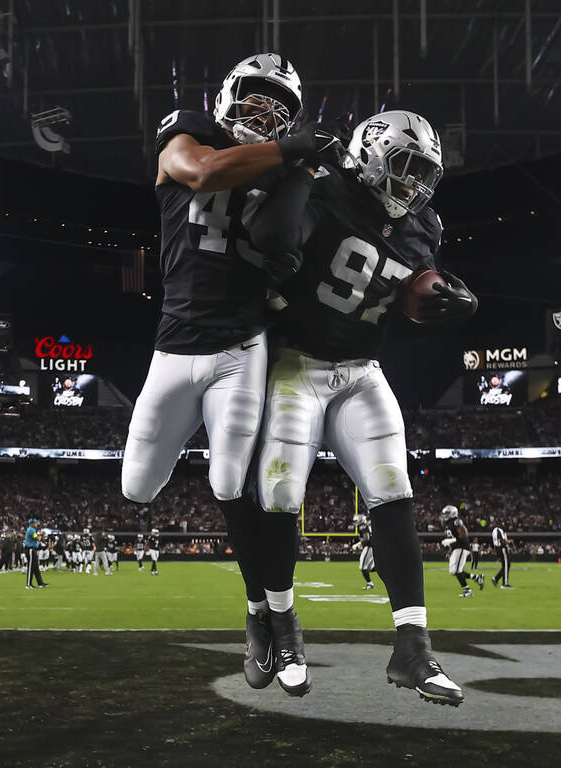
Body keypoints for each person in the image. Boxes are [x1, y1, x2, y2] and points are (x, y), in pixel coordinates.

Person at [121, 52, 338, 691]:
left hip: (241, 349)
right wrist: (289, 148)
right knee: (136, 487)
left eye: (279, 108)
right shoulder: (191, 134)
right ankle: (266, 608)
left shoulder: (288, 175)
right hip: (173, 346)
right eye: (255, 97)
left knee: (229, 483)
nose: (263, 112)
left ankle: (264, 614)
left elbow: (298, 249)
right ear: (227, 95)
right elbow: (204, 171)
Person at [249, 110, 476, 704]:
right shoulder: (326, 188)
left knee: (393, 490)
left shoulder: (423, 224)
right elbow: (272, 242)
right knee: (279, 493)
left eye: (424, 174)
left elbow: (407, 291)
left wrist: (440, 296)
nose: (415, 186)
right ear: (372, 153)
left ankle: (413, 649)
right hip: (295, 363)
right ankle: (283, 627)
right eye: (405, 168)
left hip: (360, 370)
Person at [441, 506, 484, 597]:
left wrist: (451, 541)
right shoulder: (448, 524)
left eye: (447, 514)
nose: (445, 516)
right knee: (454, 571)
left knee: (457, 570)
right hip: (456, 548)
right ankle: (477, 577)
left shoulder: (456, 521)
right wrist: (450, 549)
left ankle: (468, 591)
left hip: (461, 547)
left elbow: (463, 536)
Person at [351, 513, 374, 589]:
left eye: (356, 520)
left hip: (369, 546)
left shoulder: (363, 526)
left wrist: (357, 544)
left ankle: (370, 584)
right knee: (370, 568)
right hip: (371, 546)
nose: (355, 522)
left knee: (363, 567)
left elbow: (366, 538)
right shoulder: (365, 525)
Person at [24, 518, 46, 589]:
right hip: (30, 549)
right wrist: (41, 535)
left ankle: (40, 583)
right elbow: (37, 538)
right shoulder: (31, 530)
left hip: (33, 549)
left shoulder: (32, 530)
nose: (37, 524)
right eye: (35, 523)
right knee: (30, 567)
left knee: (36, 567)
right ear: (32, 524)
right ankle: (28, 584)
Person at [491, 523, 513, 589]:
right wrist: (509, 541)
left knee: (506, 565)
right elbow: (502, 541)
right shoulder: (499, 530)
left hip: (499, 549)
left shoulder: (495, 530)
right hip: (502, 548)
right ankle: (505, 584)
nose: (505, 526)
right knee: (506, 565)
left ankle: (496, 578)